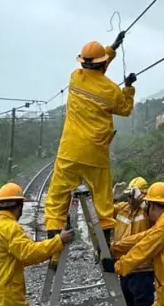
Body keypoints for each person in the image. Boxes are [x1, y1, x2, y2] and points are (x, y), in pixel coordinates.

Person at [43, 39, 137, 250]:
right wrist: (129, 89)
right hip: (95, 153)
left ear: (83, 64)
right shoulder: (111, 90)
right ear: (103, 64)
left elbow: (96, 68)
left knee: (57, 197)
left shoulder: (75, 78)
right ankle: (103, 247)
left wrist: (111, 49)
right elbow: (124, 109)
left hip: (70, 150)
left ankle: (53, 240)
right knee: (103, 200)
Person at [111, 176, 155, 306]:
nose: (130, 198)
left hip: (142, 269)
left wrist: (142, 199)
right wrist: (111, 196)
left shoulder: (147, 211)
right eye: (128, 195)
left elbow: (156, 215)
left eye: (132, 195)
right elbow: (102, 211)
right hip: (124, 266)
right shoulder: (122, 208)